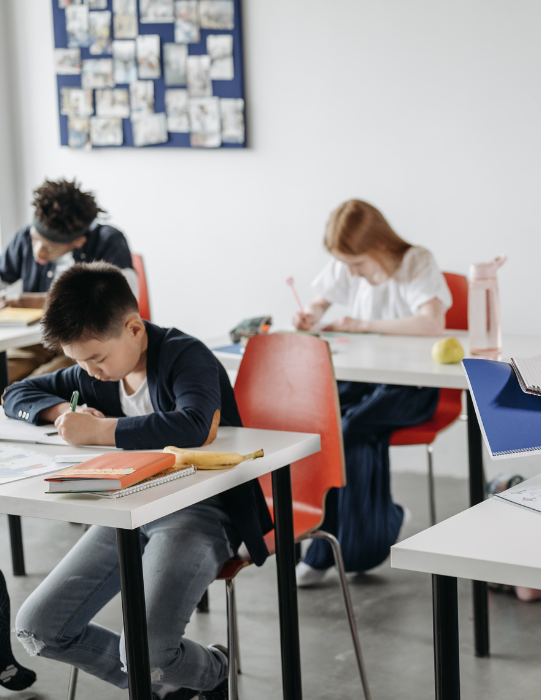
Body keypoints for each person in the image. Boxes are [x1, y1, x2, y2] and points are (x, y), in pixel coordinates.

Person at [4, 262, 274, 700]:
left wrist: (100, 431)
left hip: (200, 511)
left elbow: (194, 423)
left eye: (96, 359)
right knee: (38, 628)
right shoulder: (100, 371)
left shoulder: (186, 356)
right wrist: (59, 413)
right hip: (127, 508)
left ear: (133, 329)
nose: (89, 373)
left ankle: (212, 671)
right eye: (79, 363)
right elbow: (16, 393)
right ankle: (166, 687)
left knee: (145, 650)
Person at [292, 199, 450, 586]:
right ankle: (374, 527)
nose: (351, 272)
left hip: (414, 387)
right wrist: (311, 313)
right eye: (346, 264)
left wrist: (363, 324)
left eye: (357, 264)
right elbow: (320, 300)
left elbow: (433, 322)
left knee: (351, 428)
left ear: (379, 245)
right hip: (364, 380)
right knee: (322, 423)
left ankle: (331, 547)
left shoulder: (416, 262)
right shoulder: (349, 263)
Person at [0, 179, 138, 383]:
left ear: (78, 241)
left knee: (31, 386)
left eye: (49, 246)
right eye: (35, 239)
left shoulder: (109, 240)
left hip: (84, 343)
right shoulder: (23, 238)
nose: (38, 251)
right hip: (35, 340)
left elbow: (121, 299)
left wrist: (28, 301)